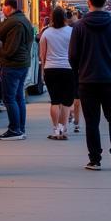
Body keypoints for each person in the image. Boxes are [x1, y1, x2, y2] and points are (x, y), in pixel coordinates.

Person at [69, 0, 111, 170]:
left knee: (92, 121)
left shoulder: (79, 27)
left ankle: (95, 158)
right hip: (109, 79)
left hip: (87, 80)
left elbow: (72, 56)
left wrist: (81, 71)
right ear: (106, 2)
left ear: (89, 2)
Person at [0, 0, 35, 140]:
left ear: (9, 7)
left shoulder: (12, 21)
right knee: (19, 97)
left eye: (3, 7)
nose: (2, 10)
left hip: (12, 64)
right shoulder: (25, 20)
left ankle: (14, 129)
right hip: (23, 63)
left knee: (9, 98)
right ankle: (20, 128)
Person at [40, 9, 74, 139]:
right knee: (66, 102)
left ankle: (55, 129)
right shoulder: (71, 32)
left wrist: (43, 69)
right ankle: (62, 129)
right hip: (67, 68)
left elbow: (42, 53)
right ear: (65, 17)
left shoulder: (46, 33)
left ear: (52, 18)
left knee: (54, 101)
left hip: (51, 68)